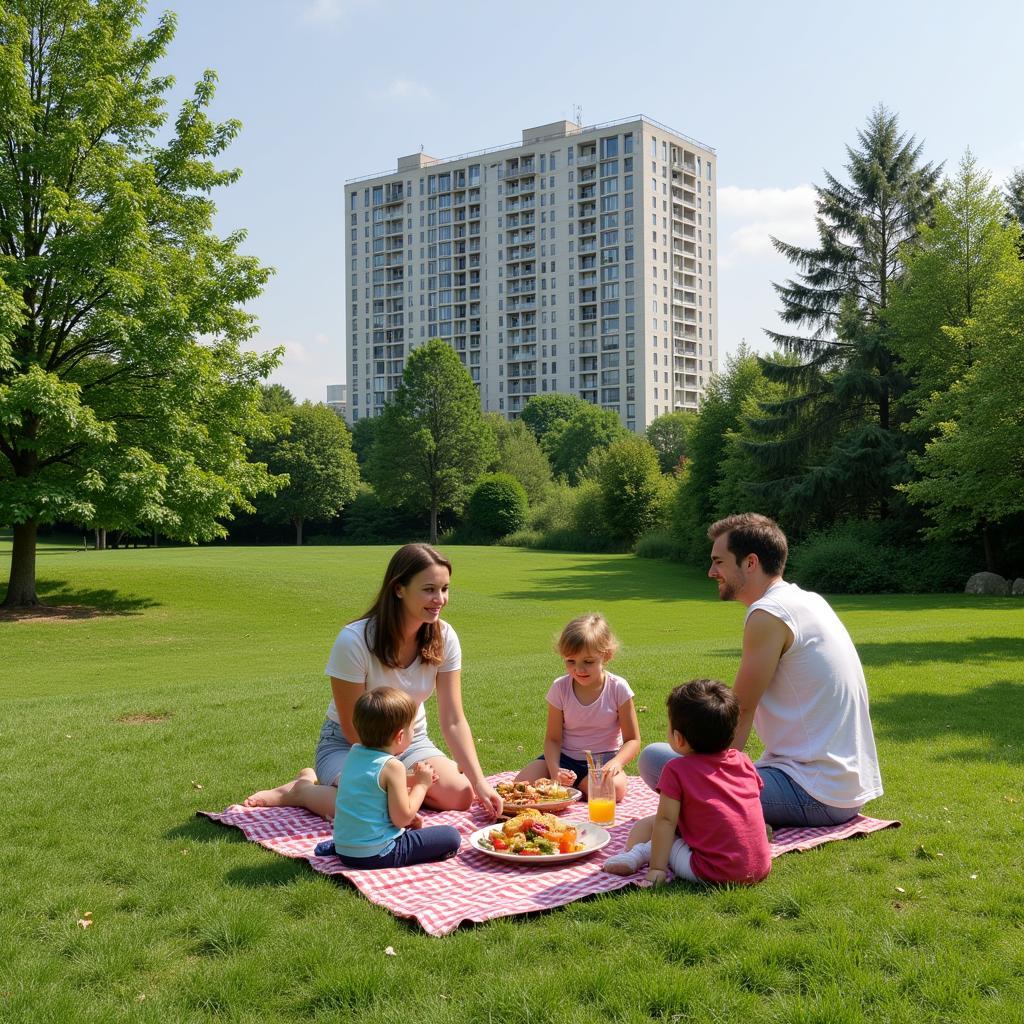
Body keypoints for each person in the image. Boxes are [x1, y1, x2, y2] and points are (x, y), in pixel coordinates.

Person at [638, 513, 882, 827]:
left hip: (815, 793)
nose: (712, 571)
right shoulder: (807, 600)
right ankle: (724, 809)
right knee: (676, 765)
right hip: (840, 786)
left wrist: (717, 781)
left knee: (657, 761)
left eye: (719, 561)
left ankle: (718, 818)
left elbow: (741, 710)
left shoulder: (769, 613)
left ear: (750, 563)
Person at [245, 544, 503, 819]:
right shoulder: (354, 640)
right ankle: (302, 790)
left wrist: (480, 782)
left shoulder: (445, 637)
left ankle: (381, 795)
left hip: (411, 740)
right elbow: (353, 728)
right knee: (375, 807)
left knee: (461, 795)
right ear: (399, 588)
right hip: (352, 744)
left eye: (445, 588)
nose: (439, 598)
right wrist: (401, 781)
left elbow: (453, 719)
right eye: (429, 589)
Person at [604, 679, 770, 885]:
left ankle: (638, 854)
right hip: (758, 866)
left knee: (657, 829)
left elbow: (665, 821)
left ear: (678, 738)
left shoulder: (677, 770)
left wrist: (657, 869)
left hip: (712, 872)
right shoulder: (743, 761)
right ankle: (637, 853)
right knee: (669, 825)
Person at [313, 687, 462, 869]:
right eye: (412, 729)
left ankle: (338, 846)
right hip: (378, 854)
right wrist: (422, 785)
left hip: (346, 850)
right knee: (450, 836)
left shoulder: (355, 753)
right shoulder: (393, 766)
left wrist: (412, 779)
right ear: (400, 736)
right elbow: (402, 819)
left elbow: (375, 783)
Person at [513, 613, 641, 802]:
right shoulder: (560, 688)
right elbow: (553, 739)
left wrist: (617, 762)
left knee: (613, 790)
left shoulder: (618, 688)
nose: (579, 670)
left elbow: (633, 740)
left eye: (588, 662)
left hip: (602, 763)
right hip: (564, 759)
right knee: (520, 785)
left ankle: (577, 787)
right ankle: (568, 785)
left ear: (606, 655)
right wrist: (555, 769)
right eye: (570, 661)